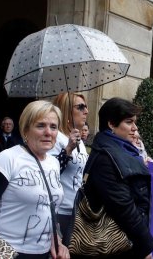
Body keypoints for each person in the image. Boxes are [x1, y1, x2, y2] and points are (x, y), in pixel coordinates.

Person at [0, 100, 69, 259]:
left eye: (53, 127)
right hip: (5, 251)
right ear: (25, 129)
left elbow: (48, 207)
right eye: (40, 126)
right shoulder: (7, 159)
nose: (48, 132)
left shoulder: (54, 163)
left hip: (42, 253)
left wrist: (56, 239)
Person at [83, 97, 153, 259]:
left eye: (135, 122)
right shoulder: (107, 157)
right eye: (129, 122)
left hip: (129, 241)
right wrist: (146, 246)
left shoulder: (125, 151)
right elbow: (124, 208)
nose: (134, 128)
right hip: (119, 245)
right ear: (111, 124)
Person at [49, 93, 89, 246]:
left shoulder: (79, 139)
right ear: (66, 110)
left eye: (86, 107)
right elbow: (49, 172)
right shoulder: (55, 137)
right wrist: (67, 149)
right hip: (59, 210)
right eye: (80, 107)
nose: (86, 111)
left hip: (76, 209)